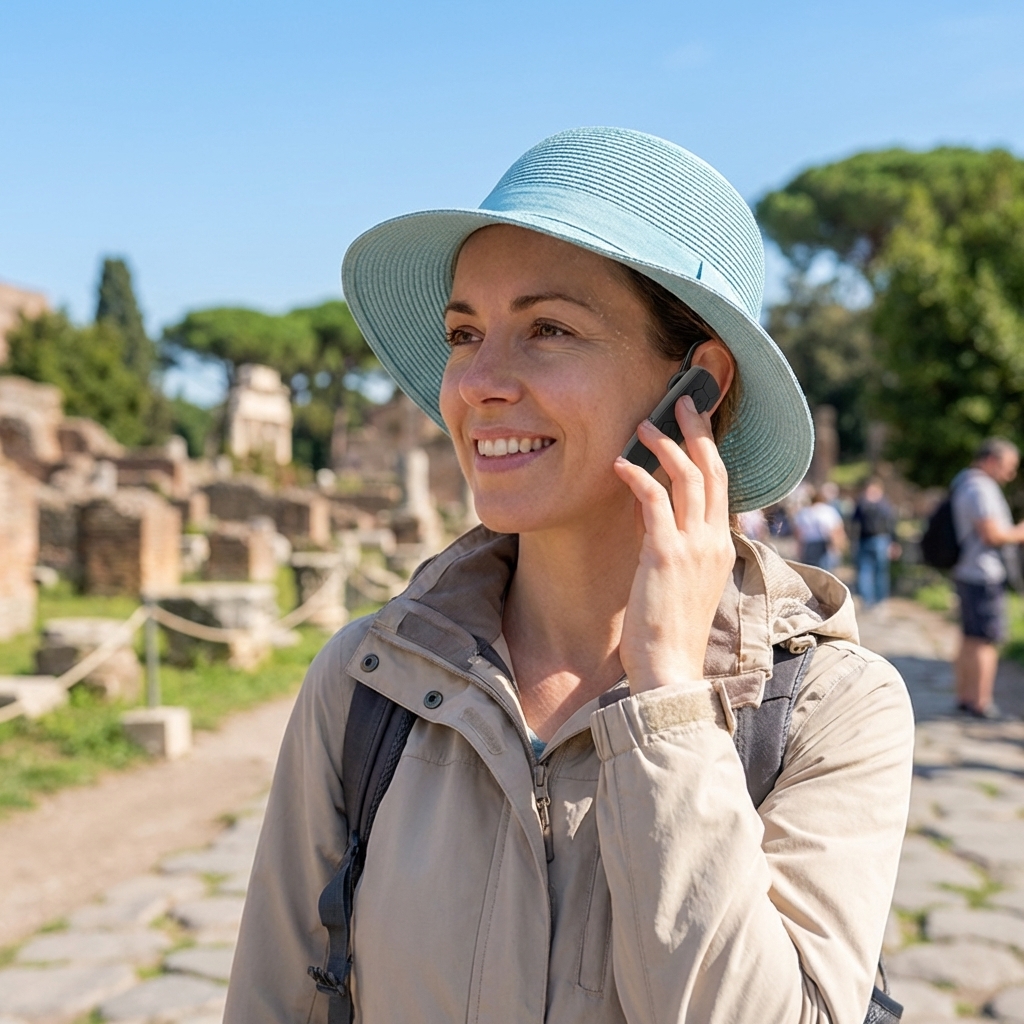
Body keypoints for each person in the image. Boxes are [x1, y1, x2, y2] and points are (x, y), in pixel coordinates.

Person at [225, 128, 913, 1024]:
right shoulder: (364, 683)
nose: (477, 382)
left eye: (548, 328)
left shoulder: (833, 707)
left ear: (697, 386)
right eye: (464, 332)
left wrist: (669, 703)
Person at [951, 437, 1024, 719]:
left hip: (969, 571)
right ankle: (981, 701)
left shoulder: (964, 482)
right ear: (992, 460)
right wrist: (1019, 533)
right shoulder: (981, 488)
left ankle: (965, 696)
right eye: (1009, 466)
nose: (1011, 473)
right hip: (983, 573)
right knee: (986, 640)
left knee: (970, 637)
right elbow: (992, 534)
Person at [853, 479, 898, 607]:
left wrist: (894, 542)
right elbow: (892, 524)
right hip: (875, 540)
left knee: (873, 572)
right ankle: (874, 600)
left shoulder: (864, 504)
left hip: (876, 540)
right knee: (870, 572)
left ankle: (874, 600)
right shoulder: (883, 505)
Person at [794, 484, 848, 569]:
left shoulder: (804, 512)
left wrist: (799, 549)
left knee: (810, 571)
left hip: (809, 544)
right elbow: (835, 529)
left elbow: (799, 533)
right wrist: (838, 545)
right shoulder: (827, 511)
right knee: (825, 572)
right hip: (824, 544)